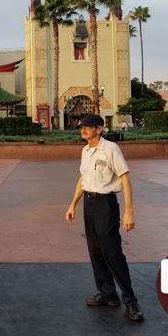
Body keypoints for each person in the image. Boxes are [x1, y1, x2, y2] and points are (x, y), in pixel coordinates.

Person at [65, 114, 144, 322]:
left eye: (88, 127)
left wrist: (129, 211)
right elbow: (83, 179)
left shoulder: (110, 149)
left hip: (106, 204)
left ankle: (131, 301)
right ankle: (108, 293)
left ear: (99, 129)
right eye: (81, 127)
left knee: (113, 253)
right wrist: (73, 204)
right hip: (89, 204)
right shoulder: (86, 150)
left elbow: (125, 179)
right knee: (96, 251)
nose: (83, 130)